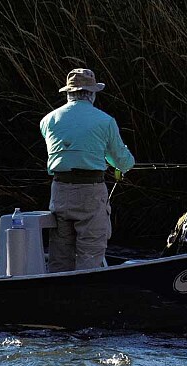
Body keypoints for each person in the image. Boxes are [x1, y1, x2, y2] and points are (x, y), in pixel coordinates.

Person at [39, 67, 134, 272]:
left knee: (60, 257)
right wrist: (117, 164)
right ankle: (87, 297)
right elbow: (123, 162)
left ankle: (58, 296)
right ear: (91, 94)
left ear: (68, 93)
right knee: (90, 255)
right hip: (90, 193)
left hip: (59, 192)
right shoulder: (105, 121)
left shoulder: (47, 120)